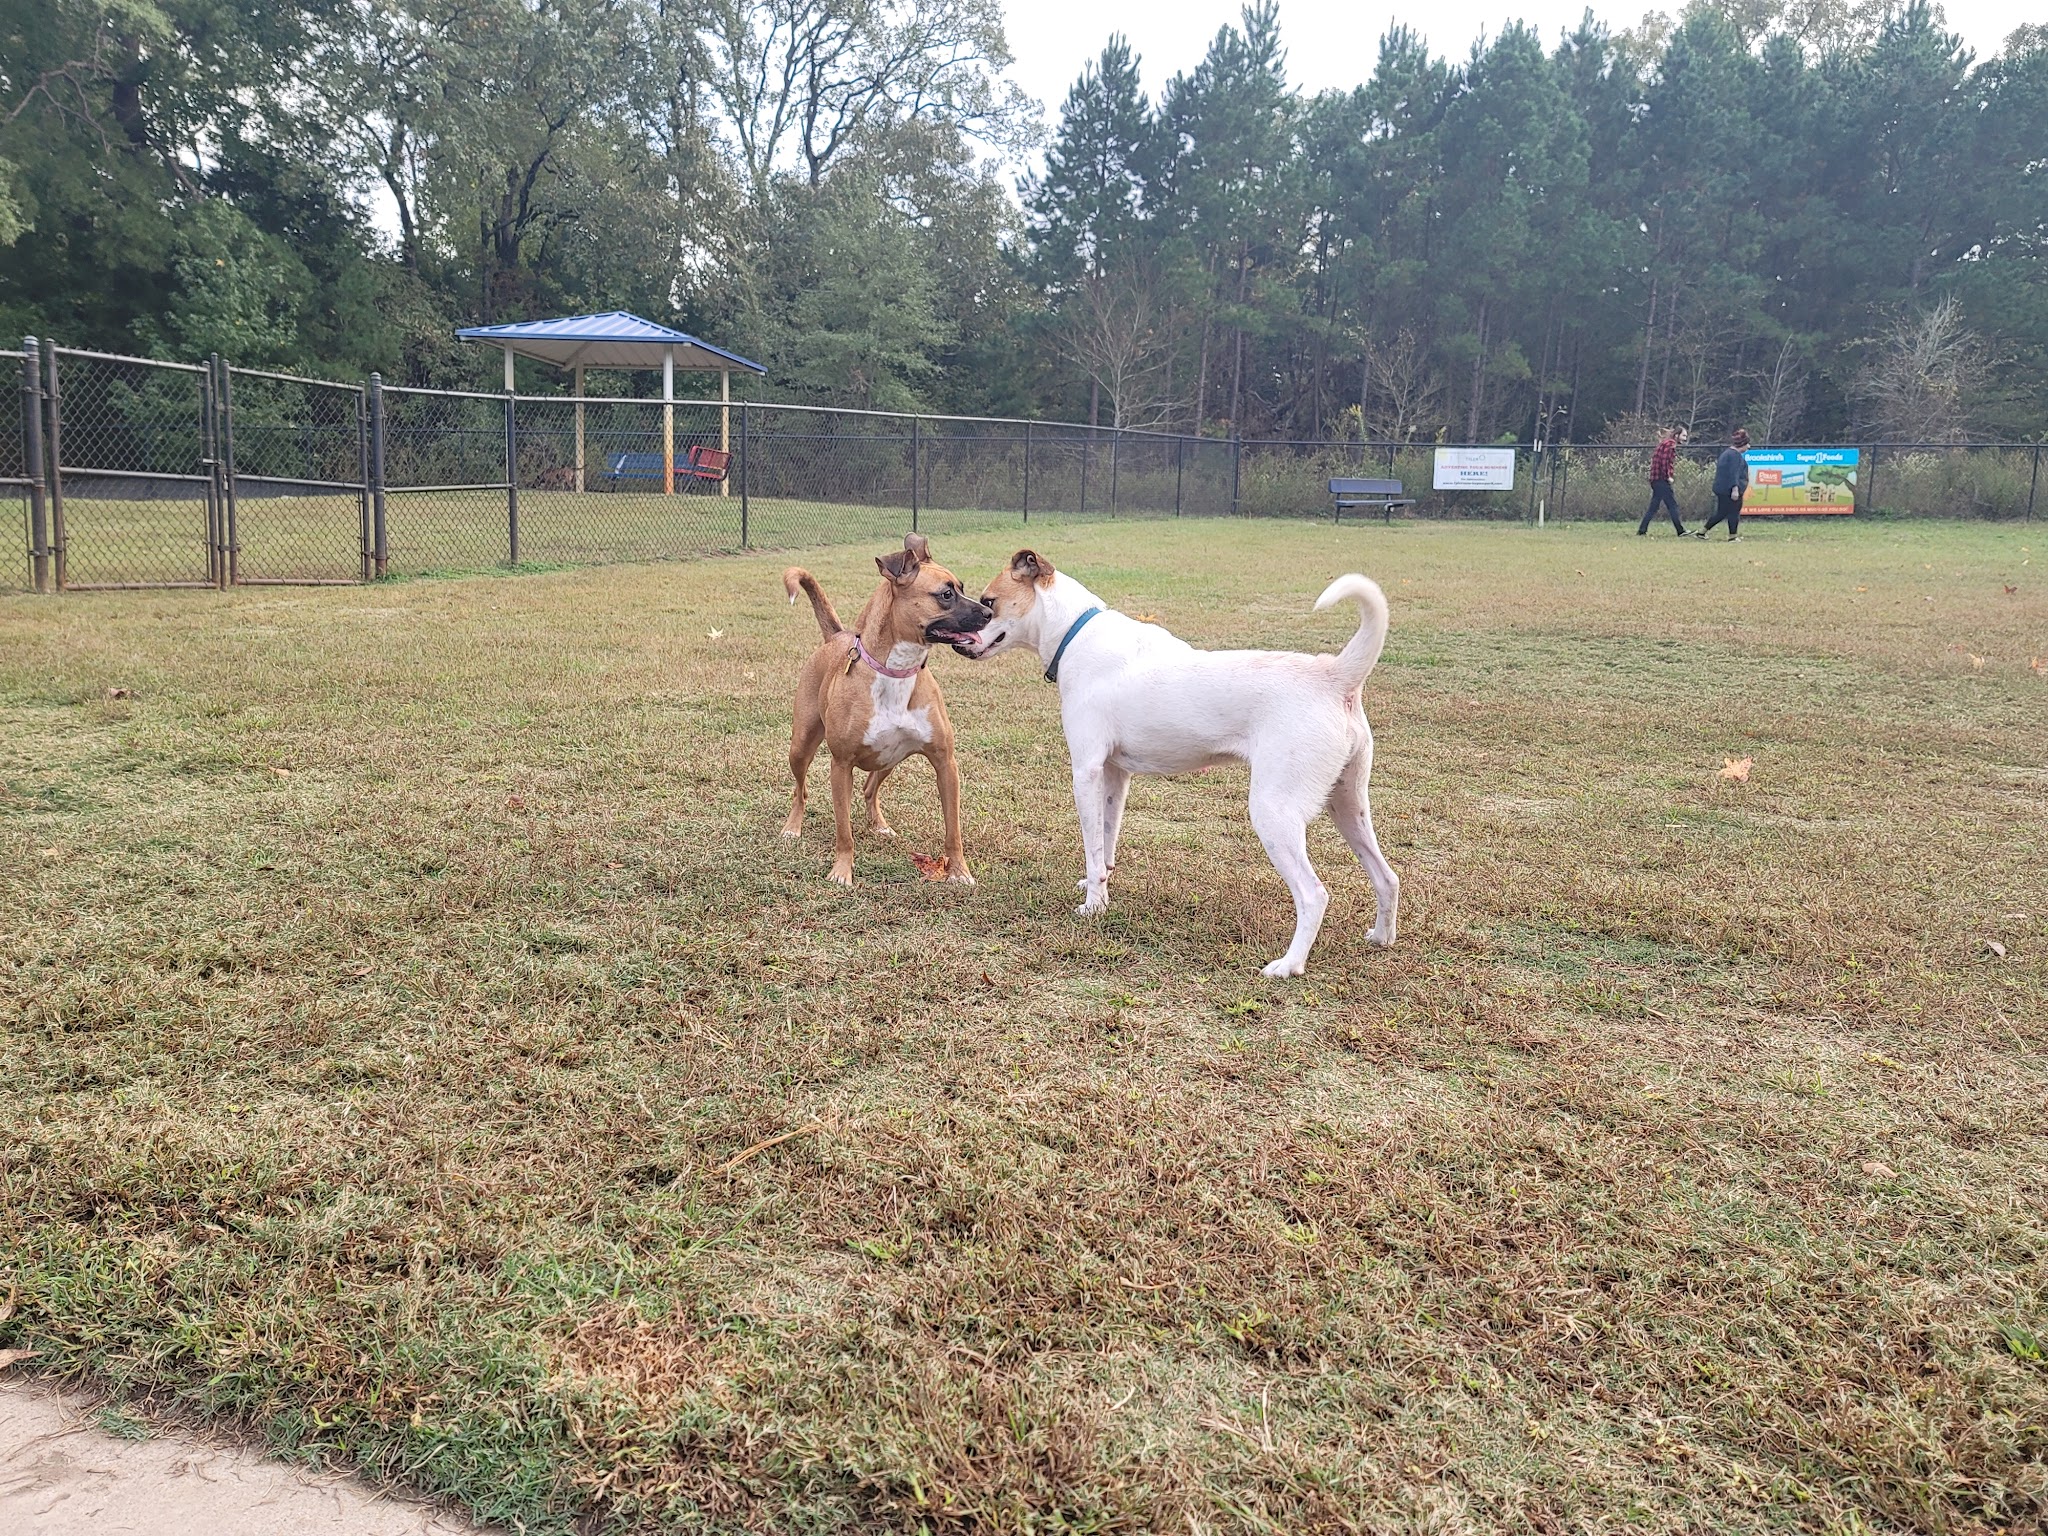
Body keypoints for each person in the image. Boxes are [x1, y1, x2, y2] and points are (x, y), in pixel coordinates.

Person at [1699, 428, 1750, 541]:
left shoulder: (1726, 453)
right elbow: (1733, 473)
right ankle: (1733, 536)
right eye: (1747, 444)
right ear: (1742, 444)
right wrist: (1735, 489)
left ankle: (1702, 531)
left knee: (1721, 513)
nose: (1748, 447)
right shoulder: (1735, 456)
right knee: (1734, 512)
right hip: (1730, 490)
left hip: (1721, 489)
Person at [1638, 427, 1688, 536]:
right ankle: (1680, 531)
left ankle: (1642, 530)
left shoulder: (1664, 443)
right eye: (1683, 435)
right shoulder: (1670, 444)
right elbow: (1665, 462)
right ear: (1676, 435)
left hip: (1655, 479)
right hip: (1661, 480)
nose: (1685, 438)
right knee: (1672, 505)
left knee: (1653, 507)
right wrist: (1668, 476)